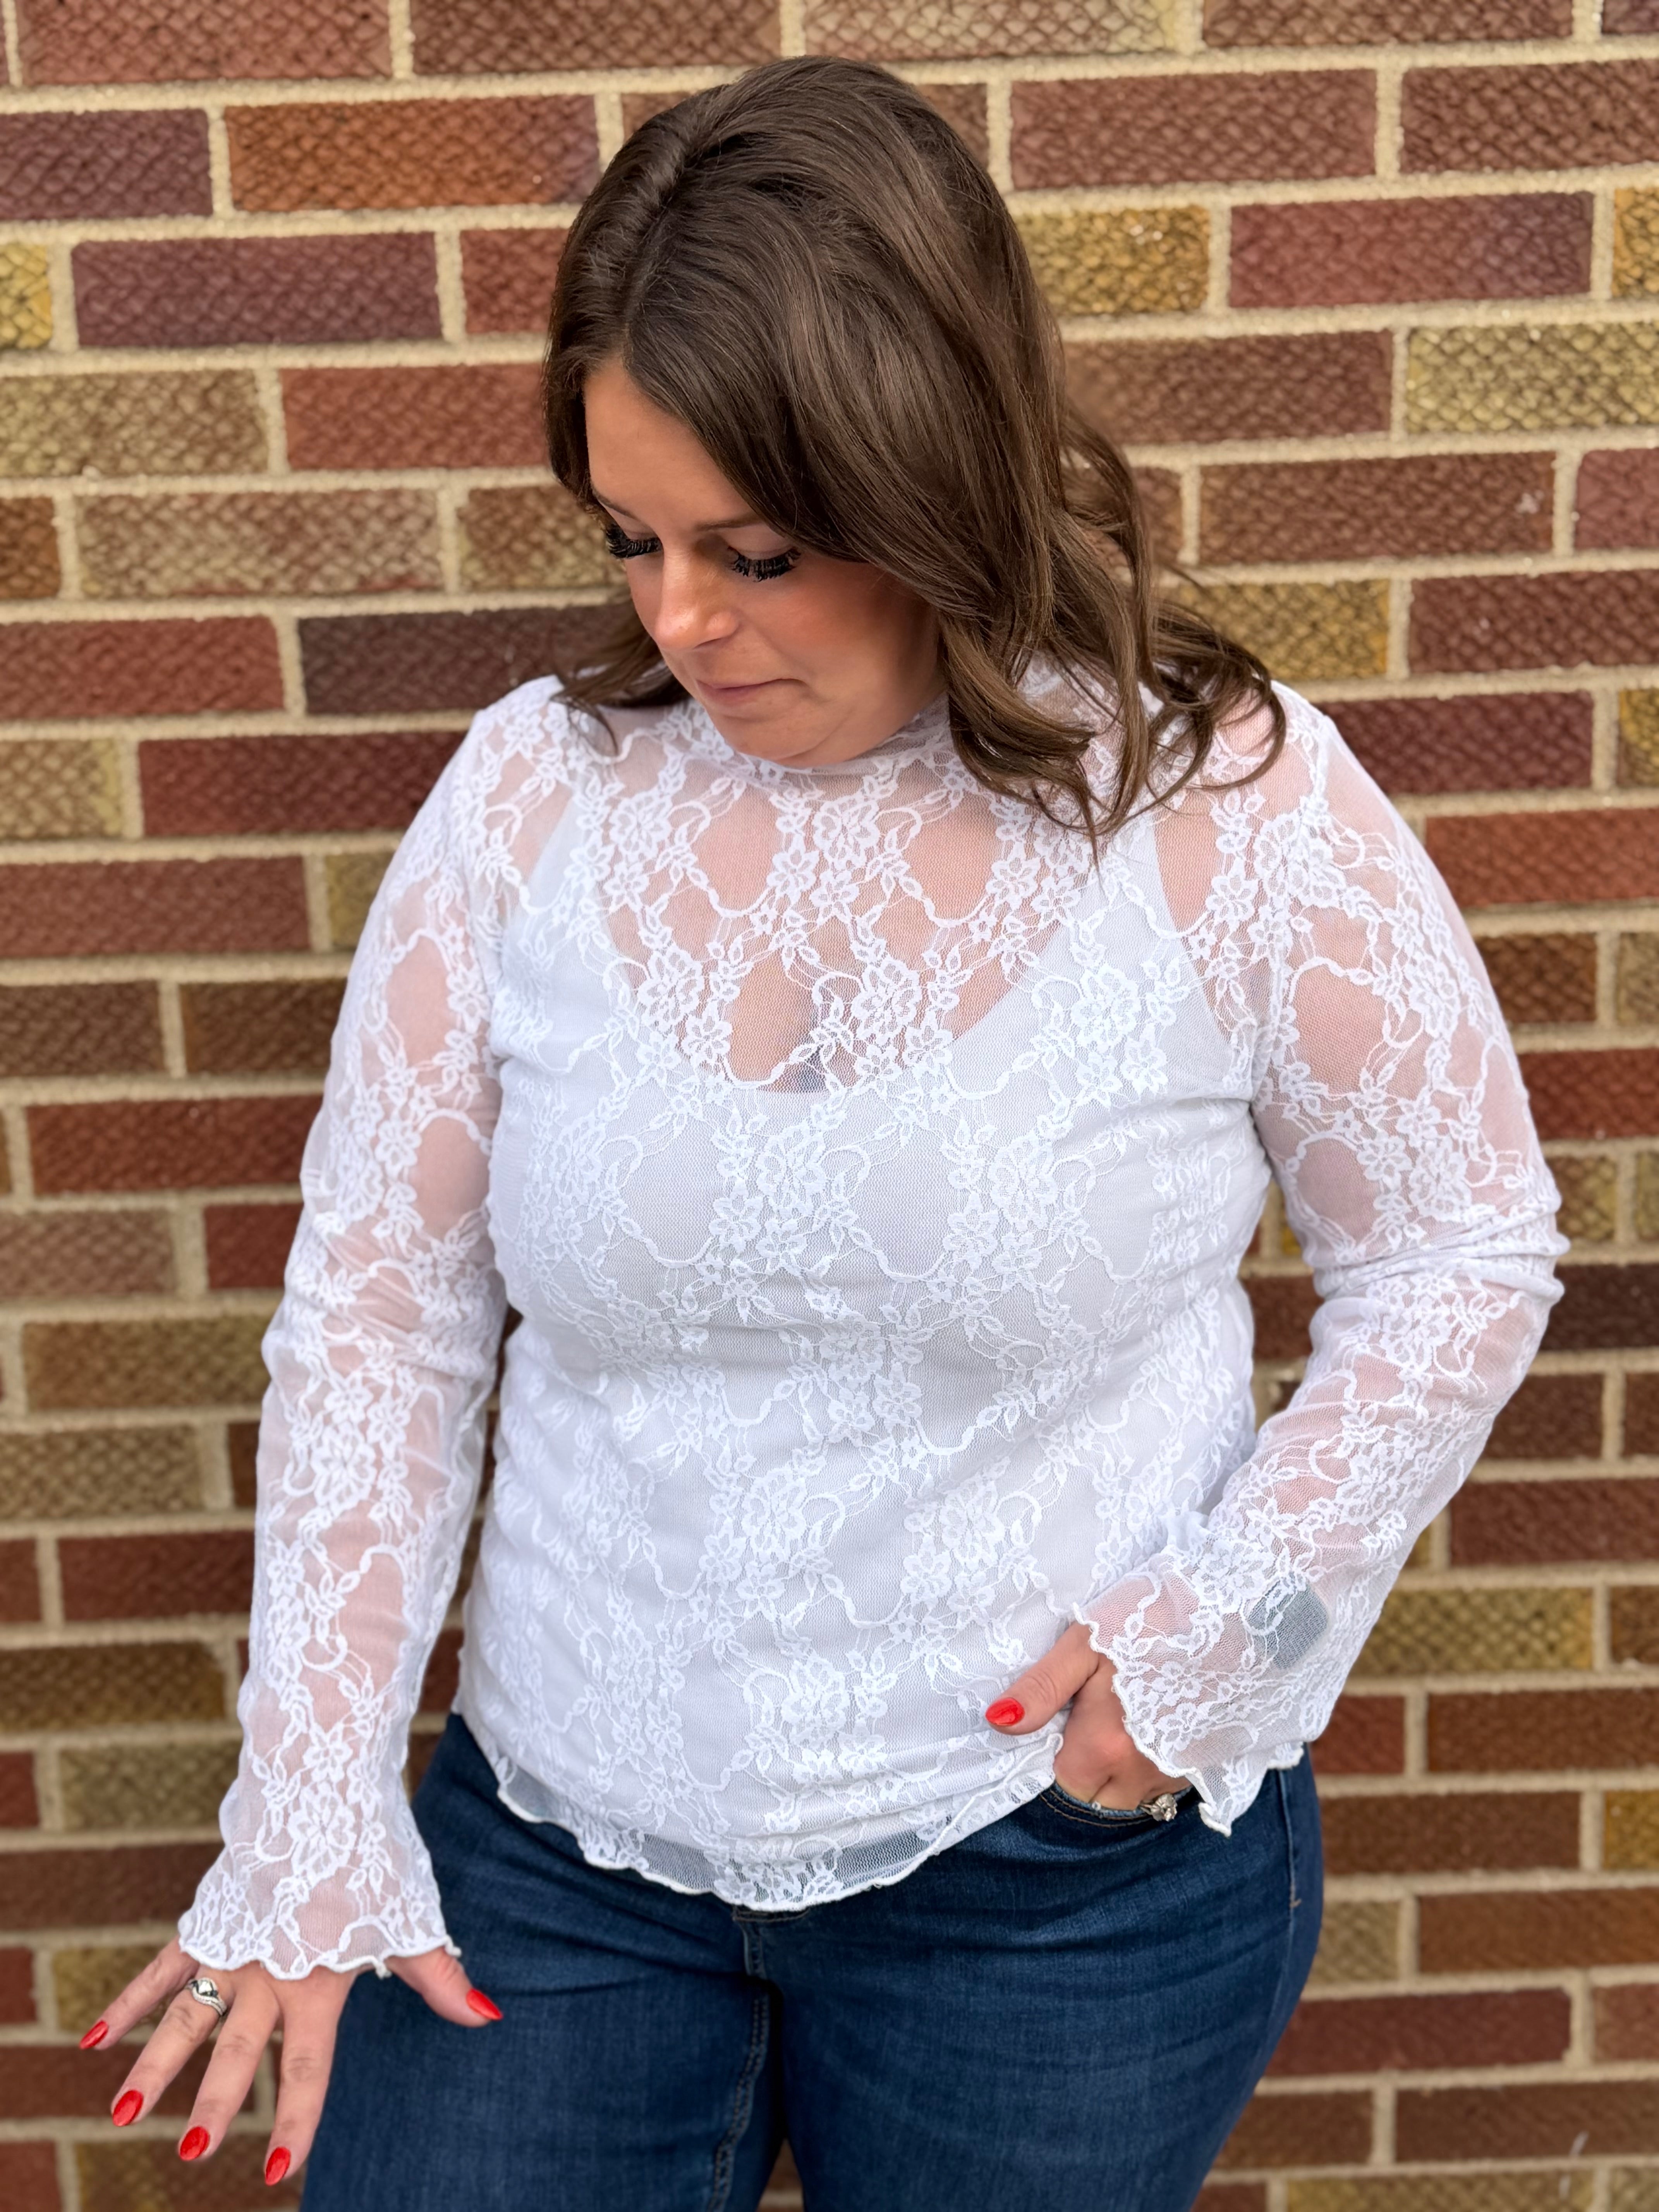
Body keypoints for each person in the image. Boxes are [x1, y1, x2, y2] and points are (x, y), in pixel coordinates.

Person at [79, 57, 1563, 2212]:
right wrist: (315, 1791)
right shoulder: (533, 798)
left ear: (930, 477)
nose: (677, 619)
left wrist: (1219, 1635)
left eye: (755, 553)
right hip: (561, 1843)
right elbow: (384, 1318)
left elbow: (1458, 1248)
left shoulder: (1218, 799)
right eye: (633, 539)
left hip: (1054, 1872)